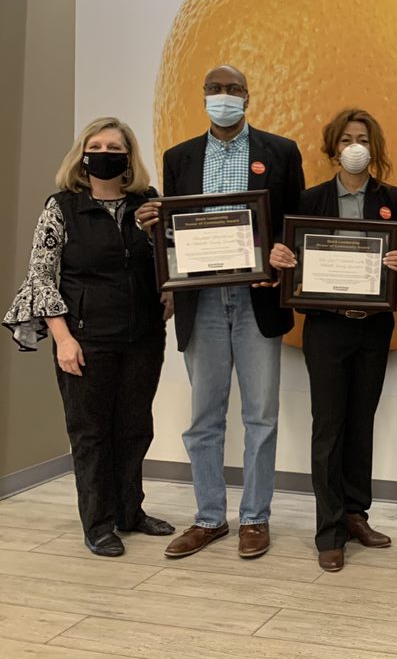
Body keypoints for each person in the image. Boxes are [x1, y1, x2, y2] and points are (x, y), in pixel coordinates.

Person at [137, 65, 304, 560]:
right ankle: (209, 517)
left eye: (232, 90)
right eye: (214, 90)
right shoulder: (179, 157)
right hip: (201, 299)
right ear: (203, 96)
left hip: (257, 299)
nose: (223, 97)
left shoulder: (280, 151)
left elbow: (293, 224)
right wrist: (157, 236)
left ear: (248, 97)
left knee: (262, 417)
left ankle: (255, 517)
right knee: (204, 418)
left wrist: (278, 259)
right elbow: (175, 232)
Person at [4, 117, 174, 556]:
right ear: (82, 154)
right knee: (91, 433)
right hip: (84, 337)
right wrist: (62, 338)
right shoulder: (61, 207)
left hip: (142, 337)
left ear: (128, 156)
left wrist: (170, 289)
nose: (104, 153)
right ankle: (98, 524)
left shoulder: (147, 203)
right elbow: (41, 277)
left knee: (135, 428)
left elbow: (168, 260)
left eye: (114, 147)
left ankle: (130, 512)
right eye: (96, 145)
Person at [269, 108, 397, 572]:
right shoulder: (310, 200)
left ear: (375, 148)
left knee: (360, 422)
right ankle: (328, 530)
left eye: (364, 139)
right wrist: (286, 263)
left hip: (373, 329)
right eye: (348, 139)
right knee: (327, 427)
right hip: (327, 329)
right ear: (333, 148)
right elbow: (294, 270)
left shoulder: (392, 198)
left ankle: (355, 514)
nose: (356, 147)